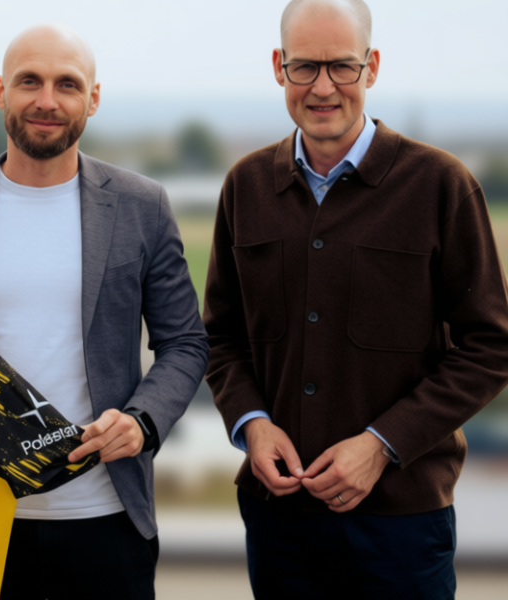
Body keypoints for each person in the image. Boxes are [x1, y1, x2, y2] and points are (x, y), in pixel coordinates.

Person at [203, 1, 508, 597]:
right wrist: (251, 424)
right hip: (278, 519)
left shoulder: (441, 185)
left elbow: (491, 346)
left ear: (372, 66)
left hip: (403, 523)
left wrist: (382, 445)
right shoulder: (245, 186)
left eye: (342, 66)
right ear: (278, 66)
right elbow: (220, 336)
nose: (323, 88)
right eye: (304, 67)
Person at [0, 23, 208, 600]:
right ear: (1, 91)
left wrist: (142, 421)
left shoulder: (143, 206)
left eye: (67, 84)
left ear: (93, 99)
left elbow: (185, 343)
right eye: (29, 82)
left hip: (106, 519)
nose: (47, 101)